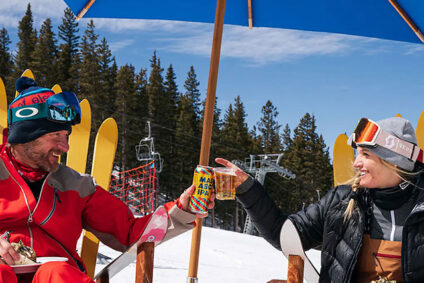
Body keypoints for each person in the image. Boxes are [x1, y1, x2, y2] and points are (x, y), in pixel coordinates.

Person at [0, 77, 215, 283]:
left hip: (58, 276)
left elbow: (130, 232)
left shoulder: (76, 186)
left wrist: (182, 210)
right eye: (56, 136)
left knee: (58, 274)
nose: (64, 147)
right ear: (26, 135)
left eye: (66, 137)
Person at [216, 116, 424, 283]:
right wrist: (247, 189)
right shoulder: (341, 201)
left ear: (395, 162)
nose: (356, 163)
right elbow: (285, 236)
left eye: (366, 154)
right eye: (357, 153)